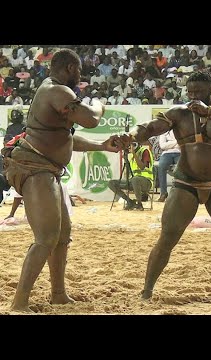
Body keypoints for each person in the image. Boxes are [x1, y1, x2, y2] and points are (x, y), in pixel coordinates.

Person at [123, 71, 211, 299]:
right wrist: (131, 135)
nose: (192, 96)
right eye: (189, 92)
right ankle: (147, 291)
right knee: (167, 238)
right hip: (185, 183)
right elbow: (150, 128)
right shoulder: (179, 113)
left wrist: (209, 111)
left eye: (198, 92)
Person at [3, 48, 122, 313]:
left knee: (62, 235)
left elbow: (65, 140)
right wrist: (99, 105)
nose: (79, 77)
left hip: (44, 168)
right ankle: (19, 303)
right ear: (70, 68)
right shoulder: (57, 91)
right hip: (35, 168)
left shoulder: (53, 91)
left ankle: (58, 293)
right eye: (78, 72)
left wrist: (102, 145)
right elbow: (91, 119)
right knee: (46, 237)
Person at [108, 140, 154, 211]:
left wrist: (134, 153)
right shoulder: (130, 155)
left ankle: (139, 204)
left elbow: (142, 167)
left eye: (133, 144)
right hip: (134, 181)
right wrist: (126, 157)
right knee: (111, 183)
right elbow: (129, 171)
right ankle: (129, 201)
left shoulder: (145, 151)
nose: (131, 146)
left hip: (146, 182)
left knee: (135, 179)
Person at [156, 129, 180, 202]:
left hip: (179, 152)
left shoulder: (180, 130)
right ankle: (163, 193)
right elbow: (162, 146)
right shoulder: (164, 132)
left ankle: (178, 193)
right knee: (161, 166)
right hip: (166, 154)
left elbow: (182, 144)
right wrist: (176, 142)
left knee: (180, 169)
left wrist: (169, 144)